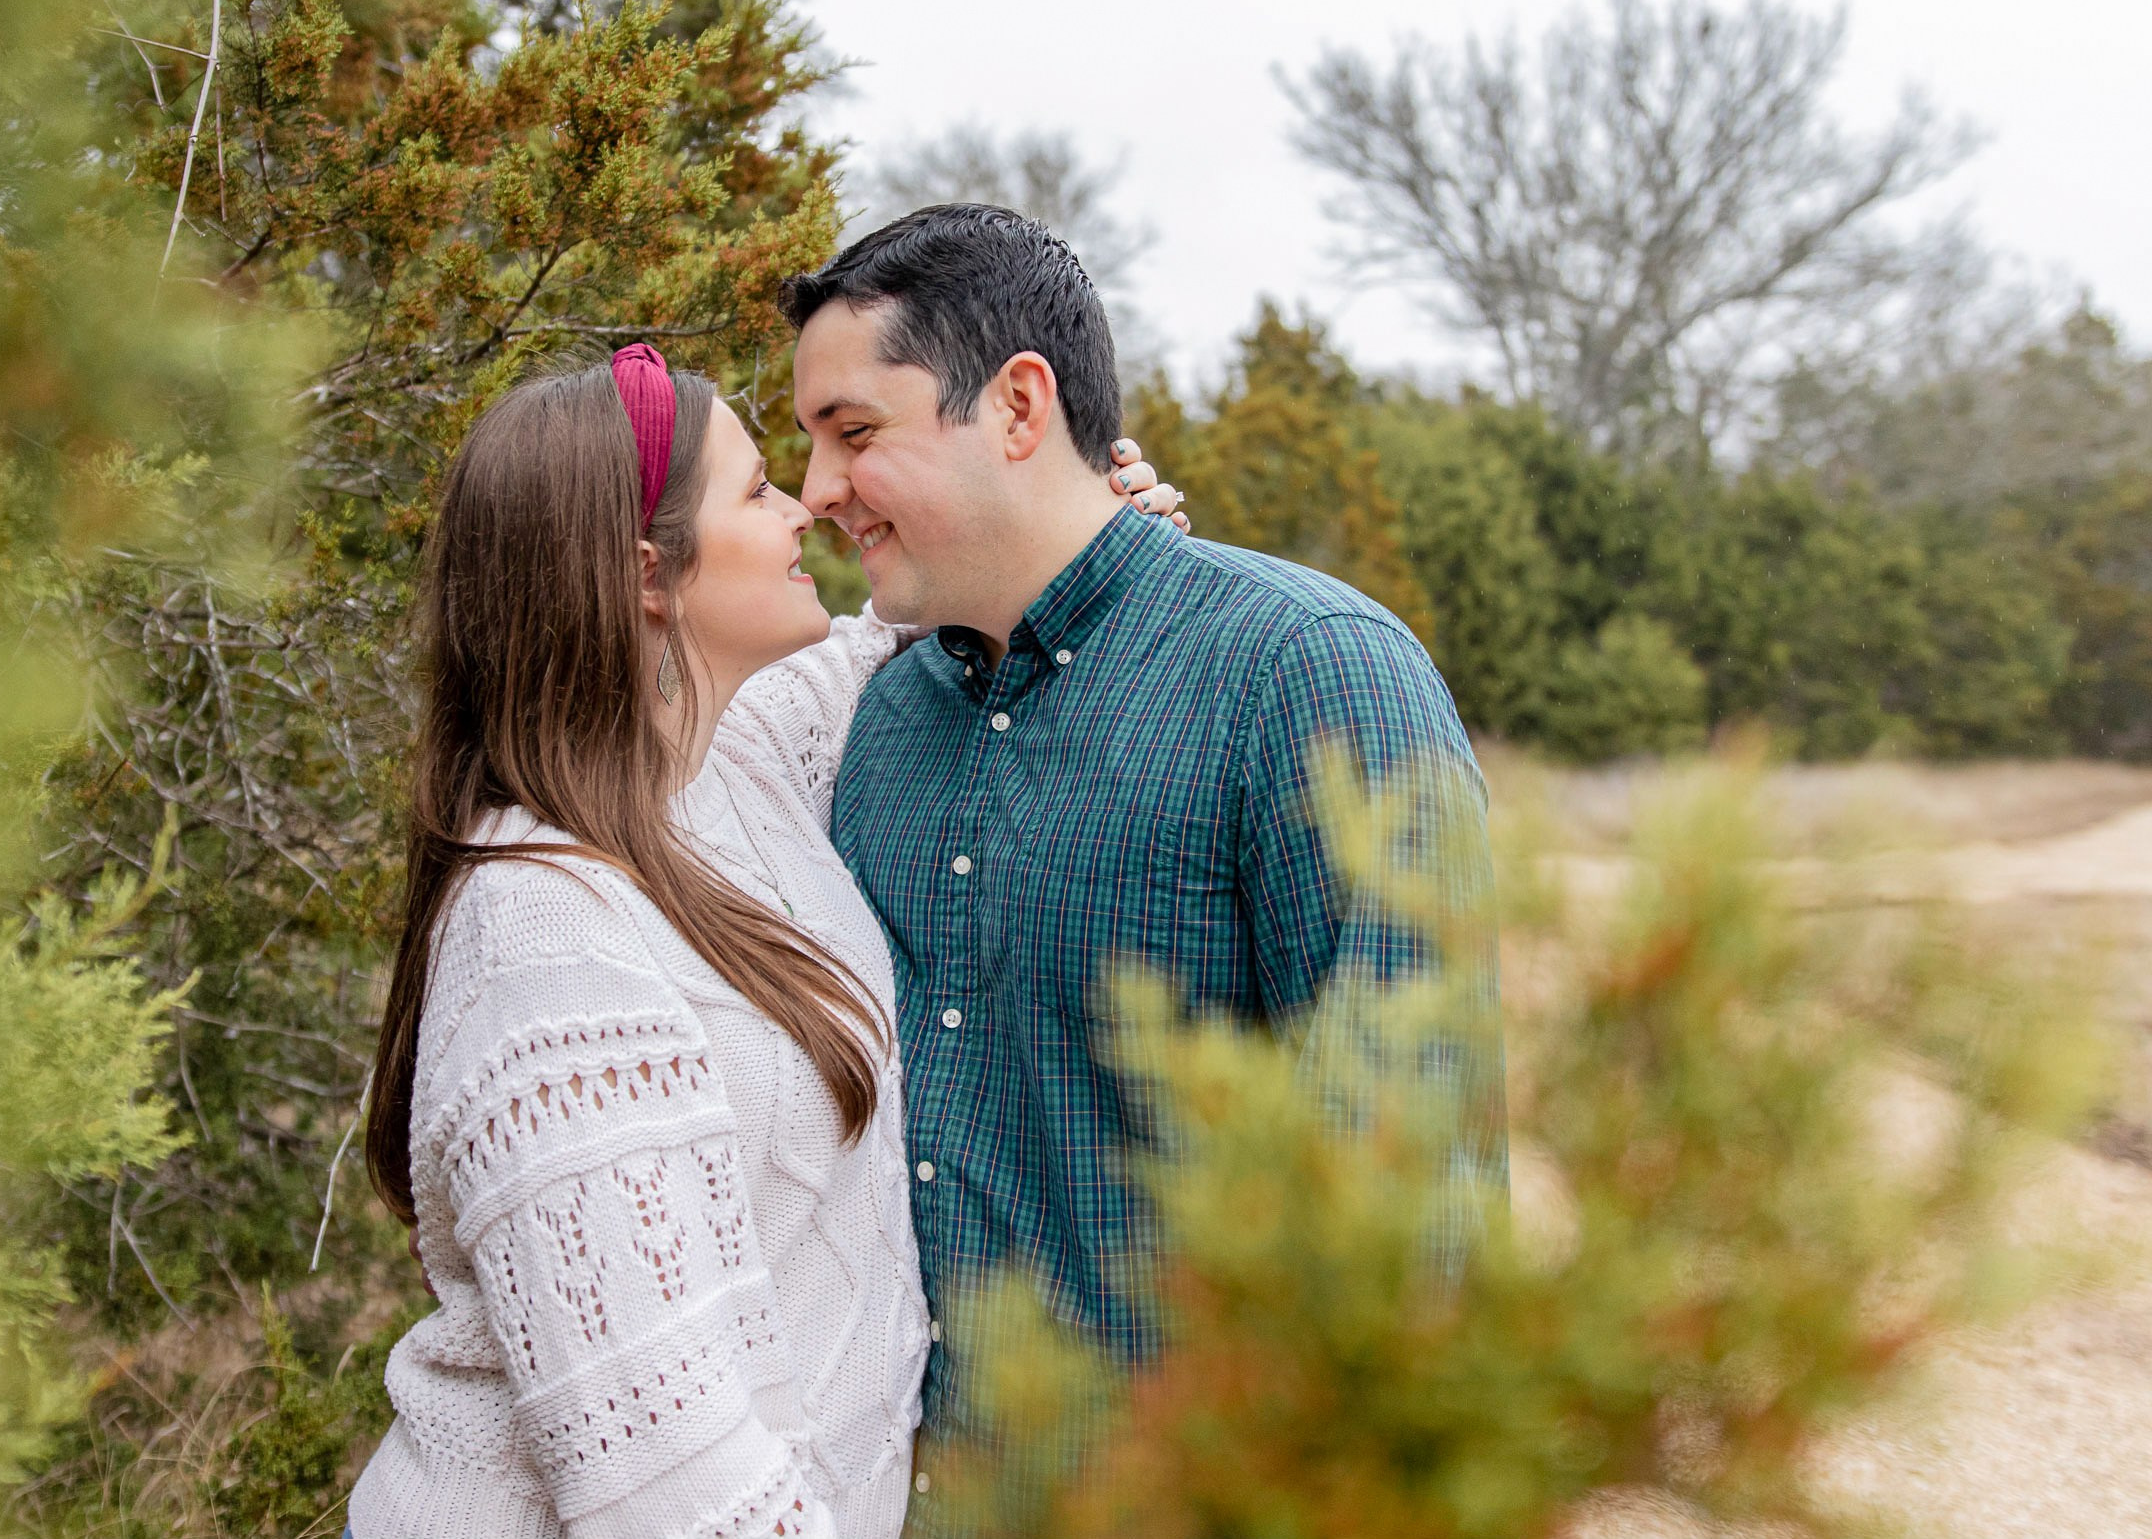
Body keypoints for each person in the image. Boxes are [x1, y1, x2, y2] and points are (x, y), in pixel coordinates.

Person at [345, 345, 1186, 1539]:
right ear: (647, 572)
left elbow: (882, 641)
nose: (805, 504)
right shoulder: (547, 939)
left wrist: (1065, 529)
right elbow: (671, 1488)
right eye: (755, 492)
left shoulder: (726, 770)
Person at [780, 204, 1505, 1438]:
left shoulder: (1311, 676)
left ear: (1018, 407)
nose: (817, 490)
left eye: (853, 434)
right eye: (807, 444)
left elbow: (1405, 1217)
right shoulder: (873, 723)